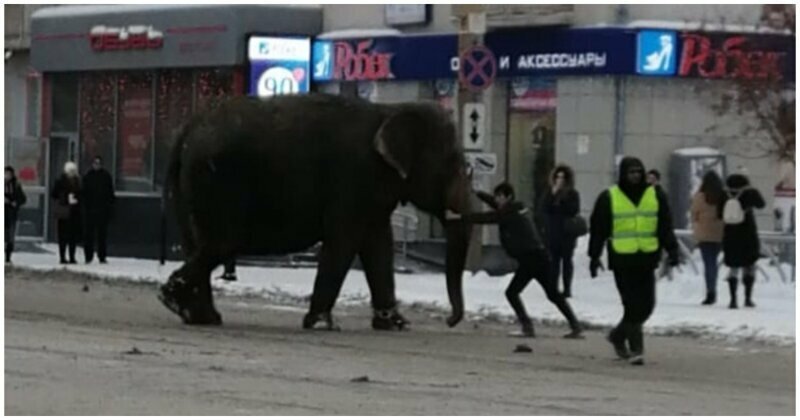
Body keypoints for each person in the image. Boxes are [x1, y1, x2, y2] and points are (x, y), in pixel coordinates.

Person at [447, 182, 583, 339]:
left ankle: (527, 327)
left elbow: (487, 217)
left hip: (530, 259)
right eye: (496, 196)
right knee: (552, 294)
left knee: (512, 293)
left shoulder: (508, 213)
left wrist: (458, 217)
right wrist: (478, 193)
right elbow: (495, 206)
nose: (497, 199)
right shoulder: (517, 207)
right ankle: (575, 326)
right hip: (539, 257)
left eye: (500, 197)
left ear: (508, 197)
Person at [588, 157, 679, 365]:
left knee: (647, 305)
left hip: (646, 257)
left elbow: (665, 225)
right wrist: (594, 256)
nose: (636, 176)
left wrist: (672, 249)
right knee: (631, 305)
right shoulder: (609, 197)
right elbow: (598, 229)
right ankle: (637, 350)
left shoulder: (655, 194)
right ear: (623, 174)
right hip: (622, 259)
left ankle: (618, 336)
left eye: (639, 172)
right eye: (631, 172)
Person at [723, 173, 765, 309]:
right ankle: (748, 298)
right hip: (748, 234)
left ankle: (733, 300)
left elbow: (719, 213)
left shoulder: (724, 194)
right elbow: (761, 204)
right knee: (749, 265)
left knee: (733, 267)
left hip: (730, 234)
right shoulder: (749, 193)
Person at [538, 164, 580, 298]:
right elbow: (544, 208)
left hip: (567, 233)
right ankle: (553, 287)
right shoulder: (549, 192)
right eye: (557, 177)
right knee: (554, 261)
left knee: (567, 261)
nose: (560, 180)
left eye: (563, 177)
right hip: (553, 231)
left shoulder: (573, 194)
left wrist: (562, 202)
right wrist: (554, 194)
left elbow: (573, 210)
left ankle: (567, 288)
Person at [690, 171, 725, 305]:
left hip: (704, 234)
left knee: (708, 263)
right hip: (720, 233)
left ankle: (711, 291)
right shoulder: (722, 196)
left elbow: (694, 213)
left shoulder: (700, 197)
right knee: (714, 262)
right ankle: (714, 286)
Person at [82, 156, 115, 264]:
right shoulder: (88, 176)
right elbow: (84, 193)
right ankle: (88, 256)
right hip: (90, 211)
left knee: (102, 235)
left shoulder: (106, 177)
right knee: (89, 235)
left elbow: (110, 194)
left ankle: (102, 256)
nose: (97, 165)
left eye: (98, 163)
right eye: (95, 163)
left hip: (102, 211)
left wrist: (109, 208)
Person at [51, 161, 82, 264]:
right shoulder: (60, 181)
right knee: (63, 236)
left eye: (73, 171)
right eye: (70, 171)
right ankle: (63, 257)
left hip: (74, 212)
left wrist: (77, 199)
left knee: (73, 236)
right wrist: (64, 197)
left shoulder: (78, 181)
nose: (72, 173)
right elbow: (54, 194)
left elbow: (81, 193)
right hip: (63, 212)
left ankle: (72, 257)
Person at [5, 166, 27, 263]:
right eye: (5, 174)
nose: (7, 176)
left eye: (9, 174)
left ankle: (8, 256)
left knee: (10, 236)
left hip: (11, 214)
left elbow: (23, 199)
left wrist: (16, 203)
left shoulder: (16, 185)